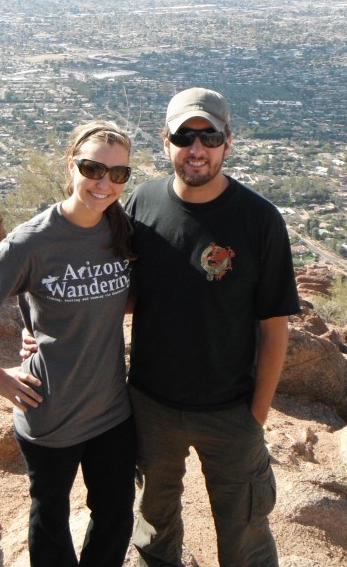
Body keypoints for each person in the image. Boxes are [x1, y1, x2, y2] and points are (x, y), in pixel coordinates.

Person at [0, 120, 137, 567]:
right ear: (71, 166)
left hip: (111, 408)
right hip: (50, 410)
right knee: (49, 518)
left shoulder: (123, 231)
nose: (104, 183)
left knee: (115, 514)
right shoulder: (35, 239)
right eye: (93, 168)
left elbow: (121, 300)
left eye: (118, 174)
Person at [125, 87, 300, 567]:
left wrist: (256, 415)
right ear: (166, 142)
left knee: (244, 534)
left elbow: (273, 326)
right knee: (153, 527)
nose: (196, 149)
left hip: (231, 409)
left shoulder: (260, 220)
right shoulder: (141, 205)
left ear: (228, 142)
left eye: (209, 136)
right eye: (184, 136)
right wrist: (42, 327)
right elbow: (117, 292)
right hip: (152, 404)